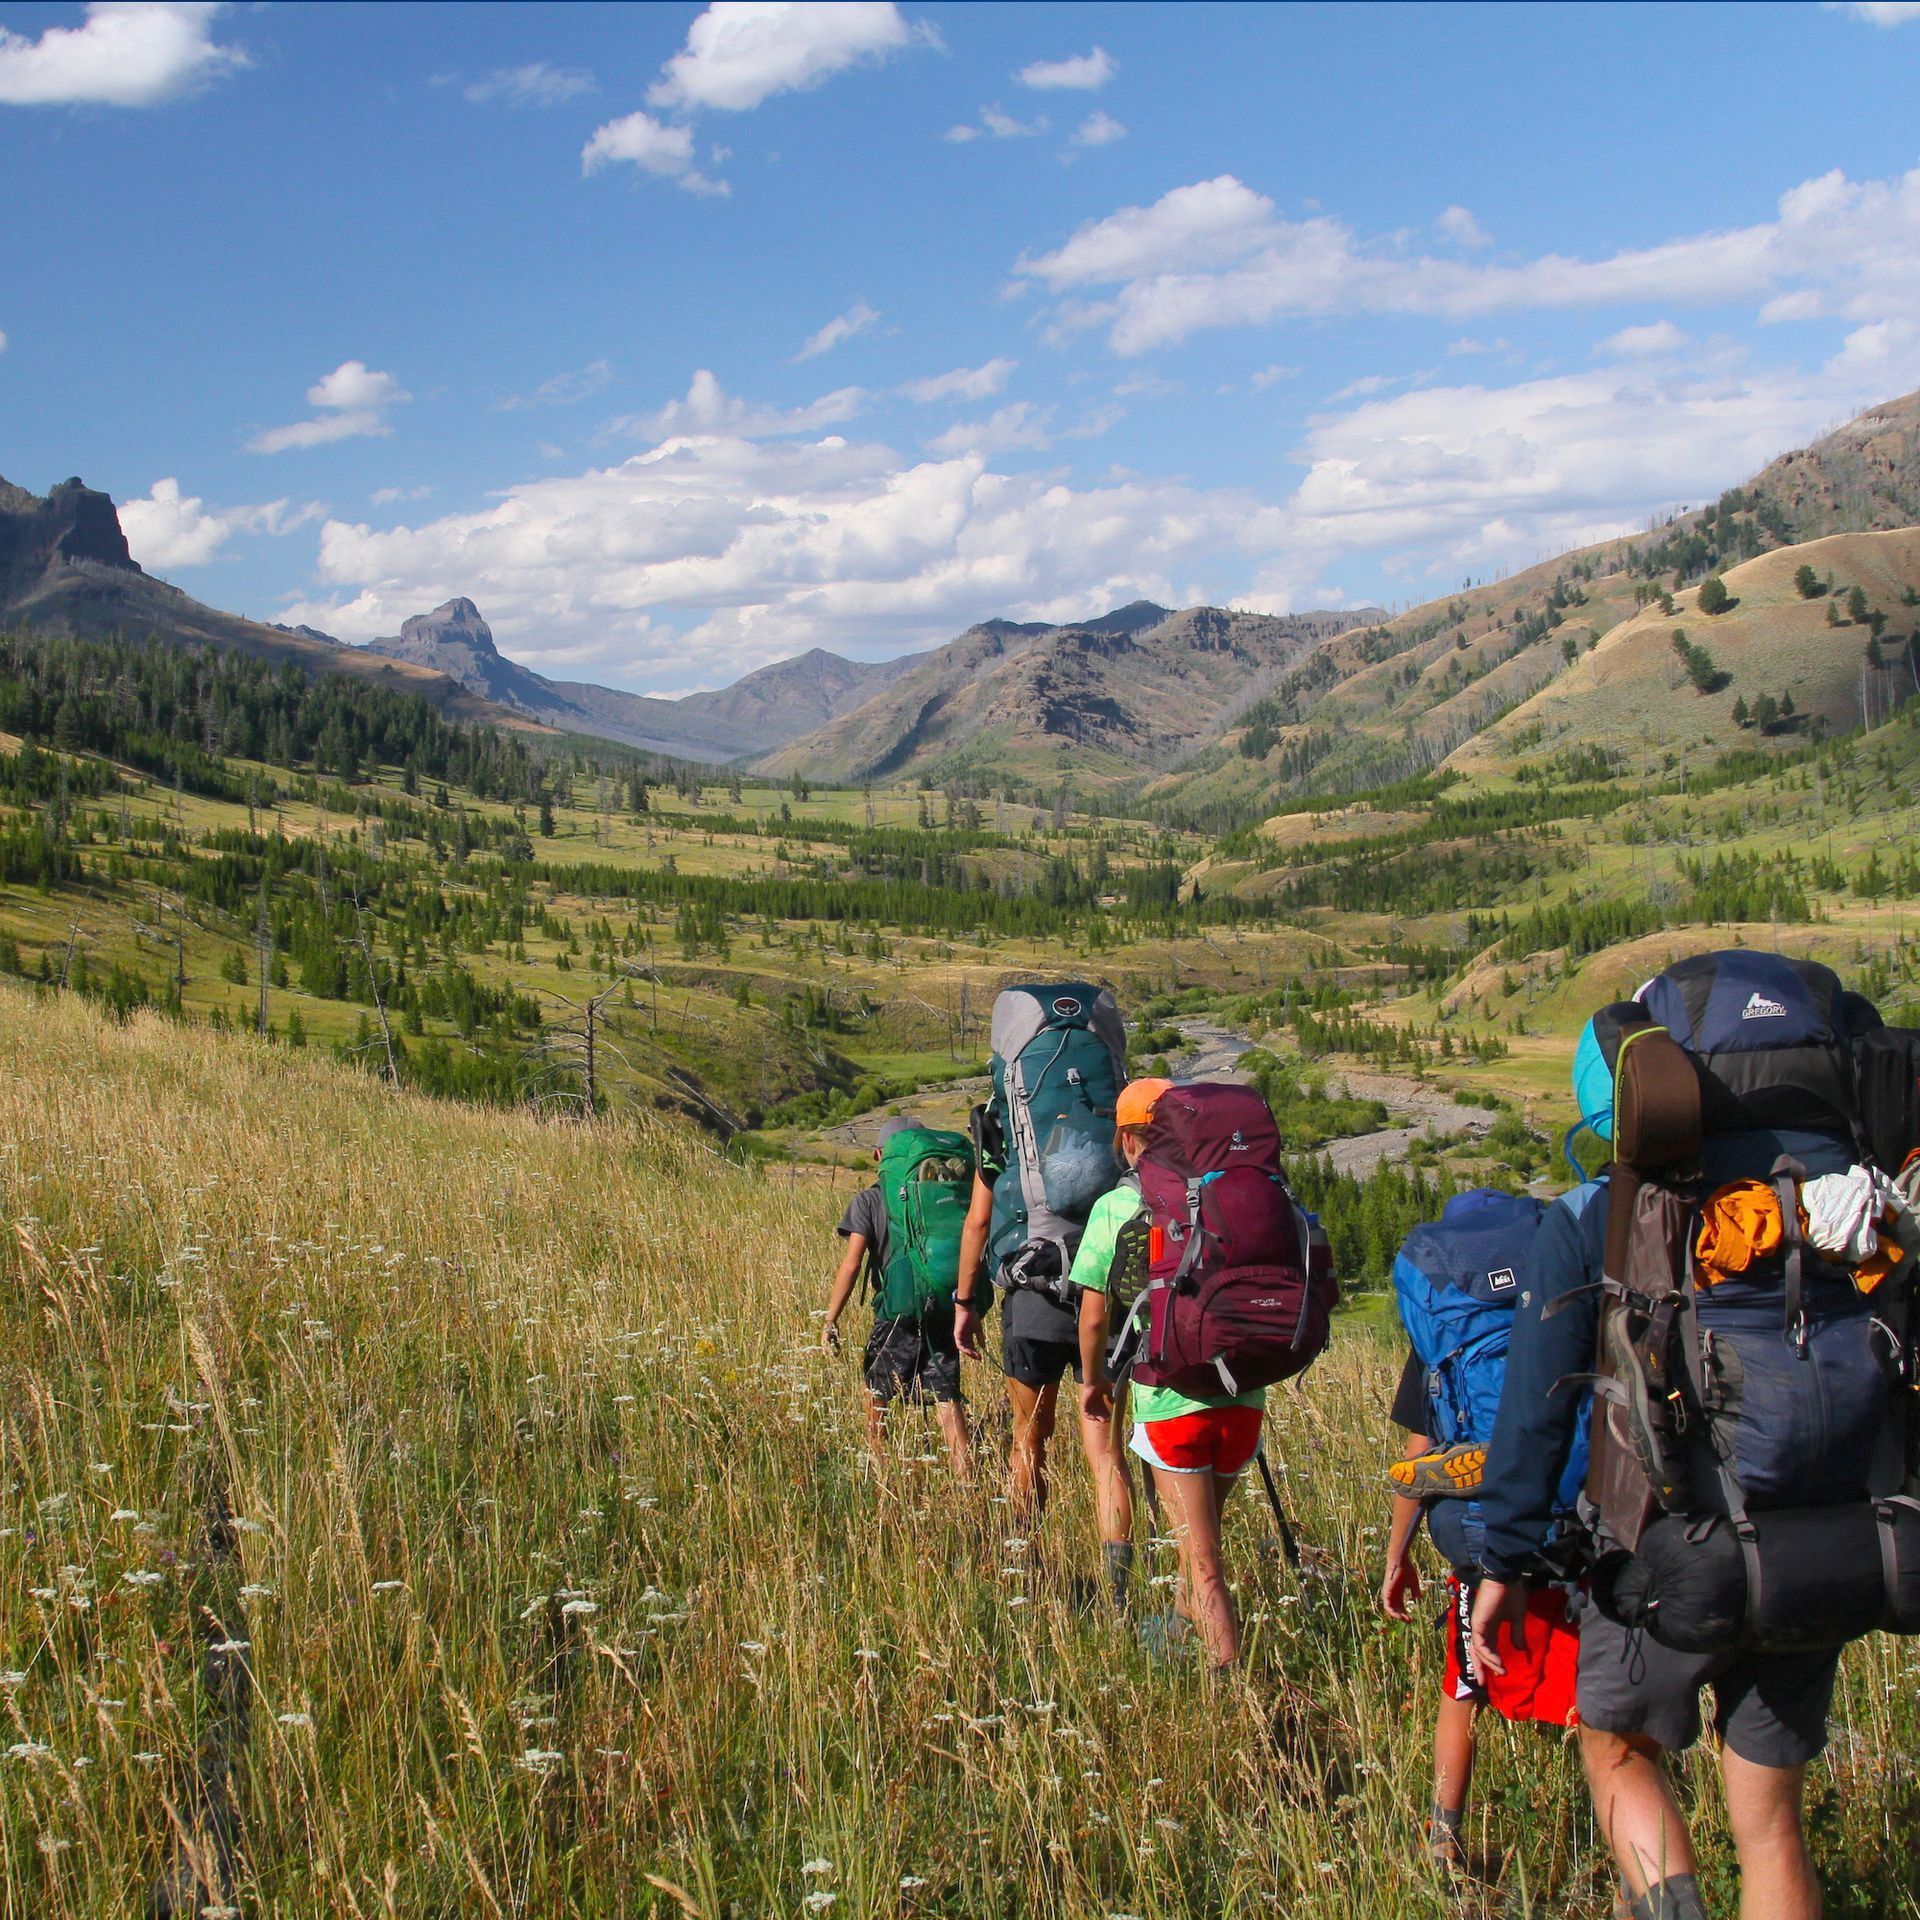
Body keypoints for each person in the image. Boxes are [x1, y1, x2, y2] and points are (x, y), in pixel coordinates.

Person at [1471, 1049, 1861, 1920]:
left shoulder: (1594, 1217)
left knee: (1619, 1753)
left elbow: (1535, 1413)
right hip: (1814, 1535)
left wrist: (1503, 1558)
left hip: (1667, 1546)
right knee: (1771, 1831)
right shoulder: (1804, 1200)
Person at [1072, 1077, 1264, 1666]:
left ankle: (1234, 1700)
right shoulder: (1232, 1192)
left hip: (1169, 1401)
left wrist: (1095, 1380)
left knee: (1204, 1563)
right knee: (1197, 1545)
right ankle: (1175, 1641)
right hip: (1243, 1396)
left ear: (1130, 1140)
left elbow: (1093, 1314)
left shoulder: (1118, 1205)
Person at [953, 1099, 1134, 1599]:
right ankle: (1118, 1590)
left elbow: (978, 1223)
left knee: (1028, 1438)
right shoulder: (1107, 1117)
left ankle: (1024, 1564)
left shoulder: (1008, 1130)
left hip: (1033, 1299)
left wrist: (966, 1302)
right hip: (1106, 1295)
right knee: (1106, 1453)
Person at [822, 1118, 971, 1479]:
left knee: (876, 1393)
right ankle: (968, 1482)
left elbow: (852, 1263)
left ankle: (883, 1475)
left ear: (879, 1156)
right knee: (946, 1398)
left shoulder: (869, 1199)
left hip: (898, 1310)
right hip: (943, 1306)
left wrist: (830, 1319)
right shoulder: (941, 1201)